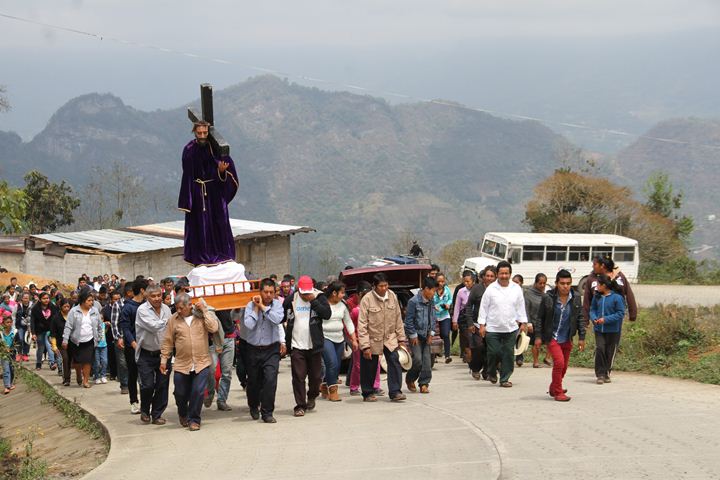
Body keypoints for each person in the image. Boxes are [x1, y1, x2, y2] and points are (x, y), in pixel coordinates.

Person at [178, 120, 239, 267]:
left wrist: (221, 171)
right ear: (195, 132)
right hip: (198, 193)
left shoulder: (216, 149)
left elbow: (228, 172)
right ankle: (202, 258)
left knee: (219, 224)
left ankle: (222, 255)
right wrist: (189, 199)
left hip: (215, 194)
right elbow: (187, 174)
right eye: (199, 133)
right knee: (200, 226)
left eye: (205, 132)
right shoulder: (189, 149)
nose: (202, 136)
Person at [160, 295, 219, 431]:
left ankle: (194, 420)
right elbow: (167, 341)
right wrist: (163, 360)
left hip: (201, 361)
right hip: (181, 363)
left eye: (181, 308)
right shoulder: (173, 320)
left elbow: (214, 328)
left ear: (189, 305)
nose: (179, 311)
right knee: (180, 392)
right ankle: (183, 412)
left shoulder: (201, 316)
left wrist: (204, 311)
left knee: (198, 391)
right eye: (177, 308)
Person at [284, 275, 332, 416]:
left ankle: (312, 396)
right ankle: (300, 405)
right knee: (298, 376)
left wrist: (313, 301)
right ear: (298, 289)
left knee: (316, 376)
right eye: (303, 293)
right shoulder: (291, 299)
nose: (305, 296)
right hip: (296, 344)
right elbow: (282, 313)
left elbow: (327, 314)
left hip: (314, 344)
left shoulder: (319, 297)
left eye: (307, 293)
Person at [476, 261, 528, 388]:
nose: (504, 276)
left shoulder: (516, 288)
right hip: (493, 328)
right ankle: (492, 372)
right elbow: (483, 307)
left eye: (506, 273)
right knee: (494, 352)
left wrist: (524, 322)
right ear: (497, 274)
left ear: (510, 274)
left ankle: (505, 378)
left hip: (511, 328)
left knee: (508, 354)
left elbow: (521, 306)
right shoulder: (491, 289)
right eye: (501, 273)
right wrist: (482, 325)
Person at [358, 273, 408, 402]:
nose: (384, 288)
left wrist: (401, 339)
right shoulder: (367, 299)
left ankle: (395, 391)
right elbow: (362, 324)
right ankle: (368, 392)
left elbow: (398, 318)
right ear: (374, 286)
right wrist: (365, 346)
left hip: (390, 337)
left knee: (394, 361)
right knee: (370, 366)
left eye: (386, 285)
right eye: (381, 286)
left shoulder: (392, 296)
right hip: (372, 338)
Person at [538, 270, 586, 402]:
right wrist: (538, 336)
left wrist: (582, 337)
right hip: (552, 336)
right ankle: (558, 392)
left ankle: (554, 387)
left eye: (568, 283)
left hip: (567, 336)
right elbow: (540, 318)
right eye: (562, 283)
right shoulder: (548, 297)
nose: (565, 286)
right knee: (559, 363)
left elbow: (580, 318)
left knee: (564, 367)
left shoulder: (575, 297)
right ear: (556, 284)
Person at [243, 278, 285, 421]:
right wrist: (256, 308)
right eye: (265, 292)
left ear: (274, 293)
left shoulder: (278, 305)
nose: (268, 295)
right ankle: (253, 406)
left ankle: (267, 412)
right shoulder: (250, 305)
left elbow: (277, 319)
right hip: (253, 348)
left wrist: (263, 307)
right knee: (254, 381)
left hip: (271, 349)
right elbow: (248, 324)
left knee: (270, 380)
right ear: (260, 292)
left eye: (271, 292)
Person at [135, 284, 172, 425]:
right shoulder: (142, 310)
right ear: (147, 297)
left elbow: (170, 330)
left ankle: (157, 414)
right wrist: (169, 321)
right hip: (146, 353)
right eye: (153, 296)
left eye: (159, 295)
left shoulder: (166, 309)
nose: (157, 298)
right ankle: (145, 409)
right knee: (148, 385)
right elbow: (154, 326)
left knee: (162, 384)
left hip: (164, 353)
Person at [322, 281, 358, 402]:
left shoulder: (343, 305)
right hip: (325, 337)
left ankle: (324, 384)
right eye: (342, 292)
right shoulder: (323, 304)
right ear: (334, 293)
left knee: (336, 365)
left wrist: (354, 339)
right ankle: (333, 390)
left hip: (339, 338)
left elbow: (348, 322)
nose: (344, 295)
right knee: (332, 363)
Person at [62, 289, 104, 388]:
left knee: (87, 361)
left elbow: (99, 326)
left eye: (92, 300)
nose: (91, 302)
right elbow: (68, 326)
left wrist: (98, 338)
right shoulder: (74, 311)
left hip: (89, 340)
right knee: (77, 362)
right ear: (83, 300)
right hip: (76, 341)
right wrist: (65, 339)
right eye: (89, 300)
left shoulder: (94, 311)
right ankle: (78, 373)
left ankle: (85, 380)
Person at [118, 279, 148, 414]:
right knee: (133, 374)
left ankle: (146, 402)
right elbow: (125, 328)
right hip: (133, 347)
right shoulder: (128, 308)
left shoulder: (147, 306)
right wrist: (133, 343)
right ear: (142, 290)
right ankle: (134, 401)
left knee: (146, 375)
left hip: (147, 346)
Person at [349, 281, 383, 396]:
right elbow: (350, 327)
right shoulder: (355, 311)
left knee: (376, 364)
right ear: (359, 295)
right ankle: (354, 386)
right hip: (360, 342)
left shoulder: (375, 308)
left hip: (374, 340)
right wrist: (353, 339)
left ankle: (376, 385)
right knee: (358, 365)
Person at [590, 274, 626, 385]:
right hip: (599, 329)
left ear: (604, 285)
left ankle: (606, 373)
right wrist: (594, 318)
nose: (597, 287)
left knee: (610, 351)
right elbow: (592, 310)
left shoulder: (617, 298)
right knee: (600, 349)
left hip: (613, 330)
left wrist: (606, 319)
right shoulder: (596, 297)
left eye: (598, 285)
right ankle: (600, 374)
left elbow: (620, 313)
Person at [404, 277, 438, 394]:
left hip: (426, 335)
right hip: (415, 336)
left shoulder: (431, 301)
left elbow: (433, 318)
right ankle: (410, 379)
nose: (434, 293)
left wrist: (431, 333)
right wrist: (413, 335)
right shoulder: (413, 302)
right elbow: (408, 321)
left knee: (427, 361)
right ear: (426, 289)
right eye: (433, 290)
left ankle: (424, 383)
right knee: (418, 360)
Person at [463, 266, 496, 380]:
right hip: (477, 324)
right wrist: (470, 323)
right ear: (483, 277)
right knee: (478, 347)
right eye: (487, 276)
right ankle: (475, 368)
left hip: (493, 325)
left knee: (490, 349)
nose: (489, 278)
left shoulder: (498, 289)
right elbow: (468, 306)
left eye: (492, 276)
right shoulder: (477, 289)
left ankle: (487, 370)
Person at [526, 273, 551, 368]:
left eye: (544, 283)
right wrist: (528, 323)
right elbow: (526, 308)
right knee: (536, 342)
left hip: (545, 322)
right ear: (535, 283)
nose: (542, 285)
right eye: (540, 283)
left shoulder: (546, 294)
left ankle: (547, 358)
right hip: (533, 321)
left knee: (551, 341)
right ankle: (535, 361)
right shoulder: (528, 293)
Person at [30, 291, 58, 370]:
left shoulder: (52, 307)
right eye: (44, 298)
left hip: (50, 330)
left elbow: (55, 319)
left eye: (47, 298)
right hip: (39, 331)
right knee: (41, 347)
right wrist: (33, 333)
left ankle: (52, 362)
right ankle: (38, 363)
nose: (46, 300)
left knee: (50, 346)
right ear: (40, 299)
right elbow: (32, 321)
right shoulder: (35, 308)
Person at [110, 285, 130, 395]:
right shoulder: (117, 305)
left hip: (133, 339)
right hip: (121, 338)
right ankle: (124, 385)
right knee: (122, 363)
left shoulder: (138, 304)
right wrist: (118, 338)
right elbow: (114, 323)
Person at [451, 271, 475, 362]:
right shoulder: (461, 291)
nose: (466, 283)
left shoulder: (477, 290)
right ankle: (467, 352)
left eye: (468, 281)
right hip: (463, 317)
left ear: (473, 281)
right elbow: (457, 307)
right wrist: (454, 321)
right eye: (465, 281)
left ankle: (471, 354)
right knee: (465, 336)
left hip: (474, 316)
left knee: (473, 337)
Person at [50, 299, 73, 386]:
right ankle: (67, 379)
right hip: (61, 343)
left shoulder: (72, 317)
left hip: (72, 342)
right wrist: (54, 346)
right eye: (65, 307)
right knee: (65, 359)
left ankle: (68, 377)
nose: (67, 309)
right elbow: (53, 334)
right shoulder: (56, 318)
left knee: (70, 360)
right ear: (60, 307)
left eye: (68, 307)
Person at [433, 273, 453, 364]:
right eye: (439, 281)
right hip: (435, 317)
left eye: (442, 281)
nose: (441, 283)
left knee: (445, 334)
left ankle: (447, 355)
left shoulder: (447, 289)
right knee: (435, 335)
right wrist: (434, 306)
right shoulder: (433, 290)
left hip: (445, 315)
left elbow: (450, 299)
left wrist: (448, 304)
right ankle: (434, 355)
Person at [14, 292, 32, 362]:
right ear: (22, 298)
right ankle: (19, 354)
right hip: (19, 326)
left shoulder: (32, 306)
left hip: (29, 326)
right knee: (20, 339)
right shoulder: (18, 306)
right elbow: (13, 315)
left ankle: (25, 354)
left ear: (29, 298)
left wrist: (31, 326)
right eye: (24, 298)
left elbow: (33, 317)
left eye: (27, 298)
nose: (26, 299)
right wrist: (14, 326)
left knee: (27, 340)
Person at [2, 311, 16, 394]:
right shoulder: (1, 333)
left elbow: (18, 343)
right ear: (3, 323)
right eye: (7, 322)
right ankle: (7, 386)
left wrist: (11, 349)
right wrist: (4, 348)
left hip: (12, 353)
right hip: (3, 354)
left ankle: (10, 383)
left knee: (12, 368)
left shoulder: (15, 332)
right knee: (6, 368)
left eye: (10, 322)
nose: (9, 324)